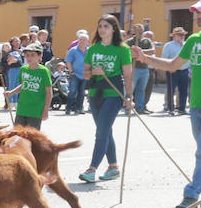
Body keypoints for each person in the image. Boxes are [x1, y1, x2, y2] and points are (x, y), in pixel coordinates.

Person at [133, 0, 201, 208]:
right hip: (196, 104)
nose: (198, 16)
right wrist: (145, 58)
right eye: (197, 13)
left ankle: (191, 195)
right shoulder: (193, 41)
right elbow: (172, 66)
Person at [78, 15, 134, 183]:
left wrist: (129, 97)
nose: (102, 29)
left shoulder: (122, 49)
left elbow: (128, 75)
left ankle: (92, 169)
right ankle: (114, 166)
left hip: (113, 94)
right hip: (95, 94)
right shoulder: (93, 49)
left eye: (106, 26)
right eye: (100, 26)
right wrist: (94, 72)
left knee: (101, 131)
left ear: (114, 29)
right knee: (106, 130)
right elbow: (85, 73)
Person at [7, 42, 51, 129]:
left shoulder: (43, 71)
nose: (29, 58)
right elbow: (24, 85)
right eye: (27, 55)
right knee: (17, 134)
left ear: (39, 56)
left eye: (32, 55)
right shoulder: (23, 69)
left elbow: (49, 92)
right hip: (22, 108)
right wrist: (11, 93)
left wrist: (46, 109)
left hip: (35, 109)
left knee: (31, 137)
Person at [124, 23, 155, 113]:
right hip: (134, 69)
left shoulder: (147, 41)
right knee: (130, 90)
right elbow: (126, 52)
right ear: (134, 31)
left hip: (144, 68)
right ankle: (128, 108)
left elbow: (153, 50)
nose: (140, 32)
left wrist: (139, 52)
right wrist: (140, 53)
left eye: (141, 30)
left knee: (141, 90)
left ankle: (140, 108)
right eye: (138, 30)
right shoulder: (129, 41)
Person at [162, 26, 191, 115]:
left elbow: (190, 58)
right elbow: (164, 58)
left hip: (185, 71)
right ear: (174, 36)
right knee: (171, 90)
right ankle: (171, 109)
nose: (182, 37)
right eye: (179, 35)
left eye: (183, 35)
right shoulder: (168, 45)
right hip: (173, 71)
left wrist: (190, 70)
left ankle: (182, 109)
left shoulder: (186, 44)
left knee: (184, 91)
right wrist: (168, 68)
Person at [65, 30, 89, 115]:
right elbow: (68, 61)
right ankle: (68, 108)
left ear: (87, 41)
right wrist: (71, 71)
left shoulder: (89, 50)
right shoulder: (73, 50)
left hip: (85, 74)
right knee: (72, 91)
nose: (82, 41)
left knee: (82, 93)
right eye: (80, 39)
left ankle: (79, 109)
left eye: (84, 40)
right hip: (75, 74)